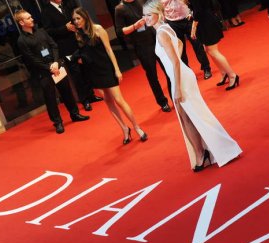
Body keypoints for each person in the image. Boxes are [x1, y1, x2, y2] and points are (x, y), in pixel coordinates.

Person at [143, 0, 242, 172]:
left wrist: (178, 87)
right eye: (144, 16)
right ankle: (203, 152)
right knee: (188, 118)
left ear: (158, 13)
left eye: (148, 15)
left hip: (180, 78)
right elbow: (180, 46)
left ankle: (209, 152)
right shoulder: (166, 29)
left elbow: (174, 61)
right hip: (181, 75)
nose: (146, 19)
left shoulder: (161, 33)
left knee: (193, 117)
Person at [72, 7, 147, 145]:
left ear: (85, 17)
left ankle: (137, 127)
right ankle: (124, 129)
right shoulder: (78, 34)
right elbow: (86, 52)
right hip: (94, 72)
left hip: (106, 69)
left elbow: (109, 50)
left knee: (119, 100)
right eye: (74, 19)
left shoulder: (98, 29)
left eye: (78, 18)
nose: (76, 22)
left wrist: (117, 69)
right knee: (108, 101)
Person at [14, 10, 90, 134]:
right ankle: (58, 122)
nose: (32, 19)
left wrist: (55, 62)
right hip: (43, 72)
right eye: (28, 18)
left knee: (67, 92)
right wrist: (48, 67)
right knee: (50, 98)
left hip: (56, 66)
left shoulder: (42, 32)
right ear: (22, 22)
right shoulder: (21, 41)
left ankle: (75, 114)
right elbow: (31, 59)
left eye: (31, 16)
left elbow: (54, 45)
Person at [41, 0, 103, 111]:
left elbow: (79, 17)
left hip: (80, 42)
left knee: (86, 69)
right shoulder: (46, 11)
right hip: (65, 47)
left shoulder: (68, 4)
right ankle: (84, 100)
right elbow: (48, 31)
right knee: (76, 73)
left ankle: (91, 95)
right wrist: (64, 29)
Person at [114, 0, 172, 112]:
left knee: (168, 69)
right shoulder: (120, 9)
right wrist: (135, 26)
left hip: (156, 39)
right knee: (152, 76)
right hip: (142, 46)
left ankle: (174, 96)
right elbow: (120, 32)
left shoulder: (141, 1)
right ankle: (162, 102)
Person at [189, 0, 240, 91]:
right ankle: (224, 73)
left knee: (213, 51)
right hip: (206, 21)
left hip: (206, 23)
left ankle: (232, 75)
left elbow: (198, 11)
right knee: (209, 50)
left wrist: (193, 28)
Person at [160, 0, 212, 80]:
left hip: (187, 18)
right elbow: (159, 8)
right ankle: (189, 73)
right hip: (172, 22)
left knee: (197, 45)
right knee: (180, 49)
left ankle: (206, 68)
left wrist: (192, 13)